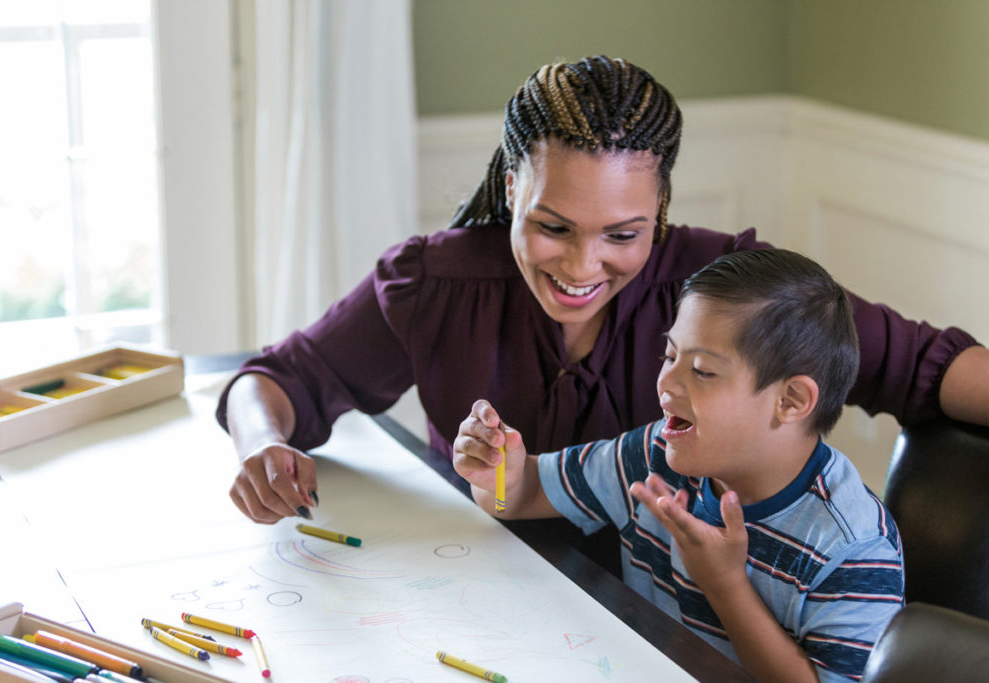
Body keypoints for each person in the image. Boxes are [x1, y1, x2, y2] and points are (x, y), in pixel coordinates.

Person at [217, 54, 988, 524]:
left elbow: (923, 363)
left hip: (674, 623)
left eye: (623, 233)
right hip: (480, 591)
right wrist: (265, 446)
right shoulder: (433, 282)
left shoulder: (733, 289)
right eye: (554, 226)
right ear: (513, 187)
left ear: (661, 207)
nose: (583, 266)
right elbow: (279, 380)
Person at [453, 248, 904, 682]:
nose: (667, 381)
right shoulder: (654, 456)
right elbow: (526, 494)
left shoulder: (854, 547)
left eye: (703, 370)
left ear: (791, 400)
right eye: (670, 356)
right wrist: (498, 472)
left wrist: (724, 584)